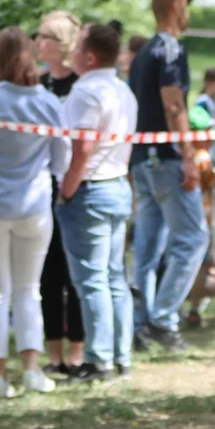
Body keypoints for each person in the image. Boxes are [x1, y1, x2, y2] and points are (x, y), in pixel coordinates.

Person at [0, 28, 70, 398]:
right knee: (28, 290)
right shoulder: (49, 103)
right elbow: (61, 160)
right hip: (35, 206)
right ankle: (33, 370)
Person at [128, 0, 209, 352]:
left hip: (142, 158)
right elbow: (173, 104)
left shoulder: (143, 52)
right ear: (177, 8)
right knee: (192, 238)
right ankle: (163, 319)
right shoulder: (171, 49)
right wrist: (189, 156)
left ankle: (139, 321)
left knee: (147, 246)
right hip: (166, 158)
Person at [57, 24, 137, 383]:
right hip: (118, 182)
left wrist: (67, 190)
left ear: (89, 56)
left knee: (92, 280)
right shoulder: (123, 89)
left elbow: (82, 148)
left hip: (91, 187)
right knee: (113, 277)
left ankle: (99, 358)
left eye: (75, 50)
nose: (70, 55)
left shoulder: (86, 90)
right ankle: (121, 356)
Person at [36, 11, 85, 375]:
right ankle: (53, 355)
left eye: (45, 37)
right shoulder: (37, 85)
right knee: (48, 274)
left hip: (76, 189)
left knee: (75, 274)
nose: (38, 43)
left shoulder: (81, 87)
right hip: (42, 191)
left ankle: (78, 352)